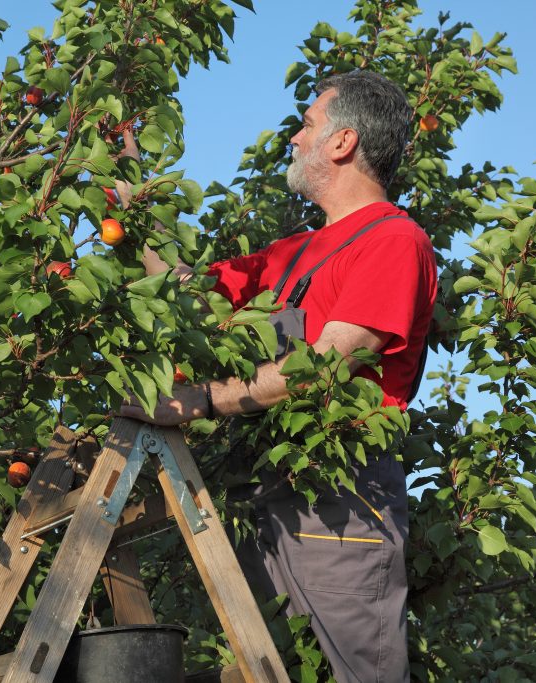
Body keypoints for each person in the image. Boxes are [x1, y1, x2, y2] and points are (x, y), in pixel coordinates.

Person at [118, 70, 436, 683]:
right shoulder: (293, 253)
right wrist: (133, 193)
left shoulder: (395, 240)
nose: (295, 137)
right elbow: (186, 295)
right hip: (262, 492)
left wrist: (199, 399)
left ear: (342, 142)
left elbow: (329, 363)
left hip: (341, 501)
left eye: (307, 124)